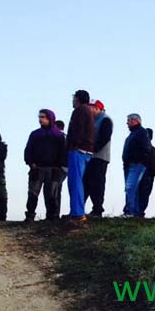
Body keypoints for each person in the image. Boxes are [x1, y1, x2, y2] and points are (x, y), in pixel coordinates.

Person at [23, 109, 66, 221]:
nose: (41, 119)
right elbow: (28, 149)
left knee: (51, 195)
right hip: (37, 168)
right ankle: (30, 215)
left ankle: (51, 217)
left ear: (50, 118)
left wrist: (59, 167)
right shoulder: (35, 134)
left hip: (53, 169)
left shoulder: (58, 136)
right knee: (33, 193)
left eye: (43, 117)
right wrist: (30, 163)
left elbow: (63, 152)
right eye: (40, 117)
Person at [66, 90, 95, 222]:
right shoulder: (88, 111)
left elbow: (77, 130)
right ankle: (76, 211)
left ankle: (77, 213)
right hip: (86, 150)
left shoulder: (80, 111)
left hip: (79, 150)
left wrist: (73, 145)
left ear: (77, 99)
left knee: (75, 181)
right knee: (77, 181)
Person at [83, 100, 113, 218]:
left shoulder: (105, 120)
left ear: (97, 108)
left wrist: (93, 149)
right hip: (90, 156)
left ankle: (97, 209)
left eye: (90, 108)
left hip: (100, 157)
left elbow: (104, 138)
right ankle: (79, 208)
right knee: (86, 182)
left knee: (97, 183)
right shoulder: (91, 121)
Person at [122, 114, 151, 217]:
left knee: (130, 187)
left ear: (135, 121)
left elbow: (146, 149)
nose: (127, 123)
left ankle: (130, 211)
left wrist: (136, 159)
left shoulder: (141, 133)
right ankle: (135, 212)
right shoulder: (133, 134)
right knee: (132, 188)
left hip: (136, 164)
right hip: (130, 165)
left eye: (128, 120)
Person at [138, 128, 155, 217]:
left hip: (145, 175)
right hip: (148, 176)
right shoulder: (153, 149)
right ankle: (140, 212)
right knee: (144, 194)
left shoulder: (141, 149)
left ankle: (138, 212)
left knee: (141, 193)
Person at [53, 119, 67, 215]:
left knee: (54, 189)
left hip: (60, 167)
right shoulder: (66, 137)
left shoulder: (59, 137)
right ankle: (55, 213)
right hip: (65, 167)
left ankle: (54, 214)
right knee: (57, 190)